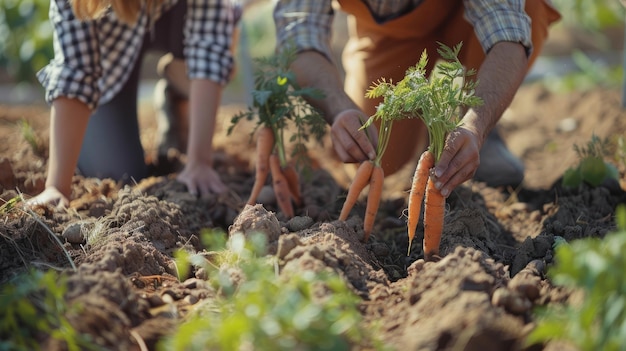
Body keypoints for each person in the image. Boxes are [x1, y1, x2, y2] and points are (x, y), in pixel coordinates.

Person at [274, 0, 561, 197]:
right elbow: (299, 37)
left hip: (469, 19)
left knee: (528, 6)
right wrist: (338, 108)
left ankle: (476, 134)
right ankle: (433, 133)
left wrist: (476, 124)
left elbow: (509, 34)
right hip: (390, 37)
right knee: (376, 157)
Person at [26, 0, 240, 207]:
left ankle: (178, 96)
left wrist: (200, 162)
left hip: (178, 20)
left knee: (225, 25)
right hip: (111, 66)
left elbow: (209, 48)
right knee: (118, 174)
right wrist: (56, 187)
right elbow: (76, 70)